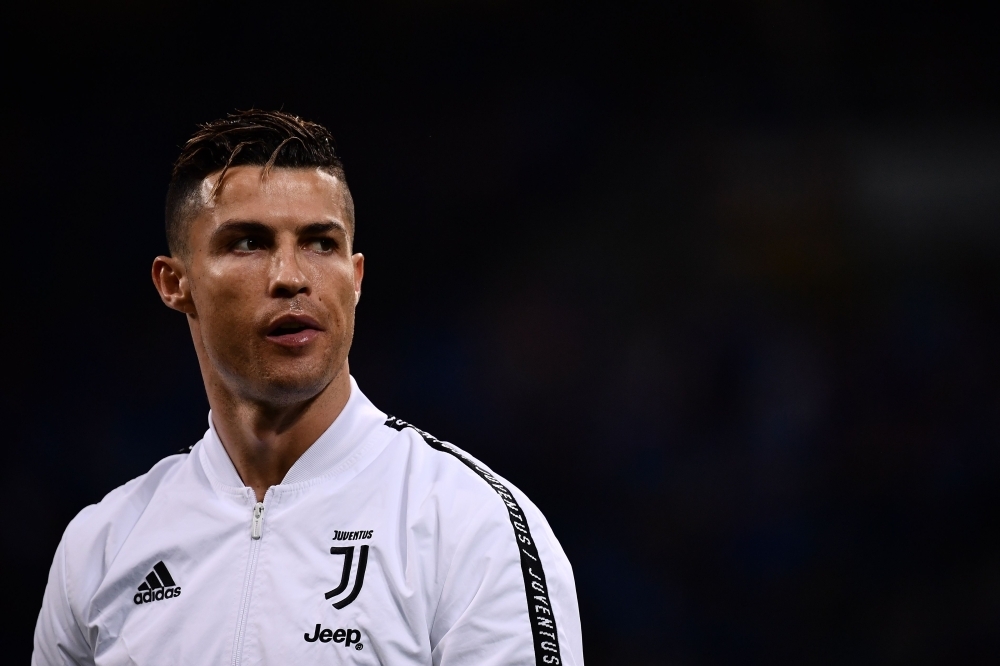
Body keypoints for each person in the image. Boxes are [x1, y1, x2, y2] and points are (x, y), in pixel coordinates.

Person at [32, 110, 583, 665]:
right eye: (248, 242)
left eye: (320, 243)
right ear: (176, 284)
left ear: (357, 277)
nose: (291, 276)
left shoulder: (469, 526)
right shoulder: (100, 549)